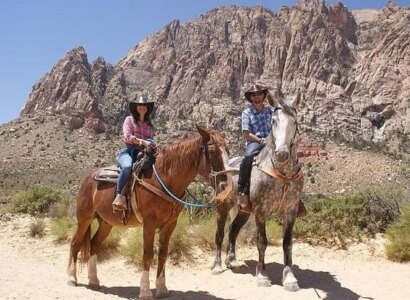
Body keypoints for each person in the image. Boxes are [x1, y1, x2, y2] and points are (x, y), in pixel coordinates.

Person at [112, 95, 156, 212]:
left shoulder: (148, 124)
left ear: (147, 108)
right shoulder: (129, 120)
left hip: (142, 152)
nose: (142, 108)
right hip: (128, 151)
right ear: (136, 107)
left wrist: (152, 144)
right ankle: (119, 197)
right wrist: (142, 141)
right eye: (140, 106)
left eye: (144, 106)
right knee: (127, 167)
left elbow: (151, 138)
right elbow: (127, 136)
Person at [237, 84, 273, 213]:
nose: (257, 97)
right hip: (255, 142)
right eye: (254, 95)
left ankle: (295, 196)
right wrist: (260, 140)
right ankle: (242, 190)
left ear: (263, 95)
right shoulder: (247, 113)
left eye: (259, 94)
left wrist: (270, 139)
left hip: (271, 141)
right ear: (250, 98)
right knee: (248, 157)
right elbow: (246, 133)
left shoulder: (271, 111)